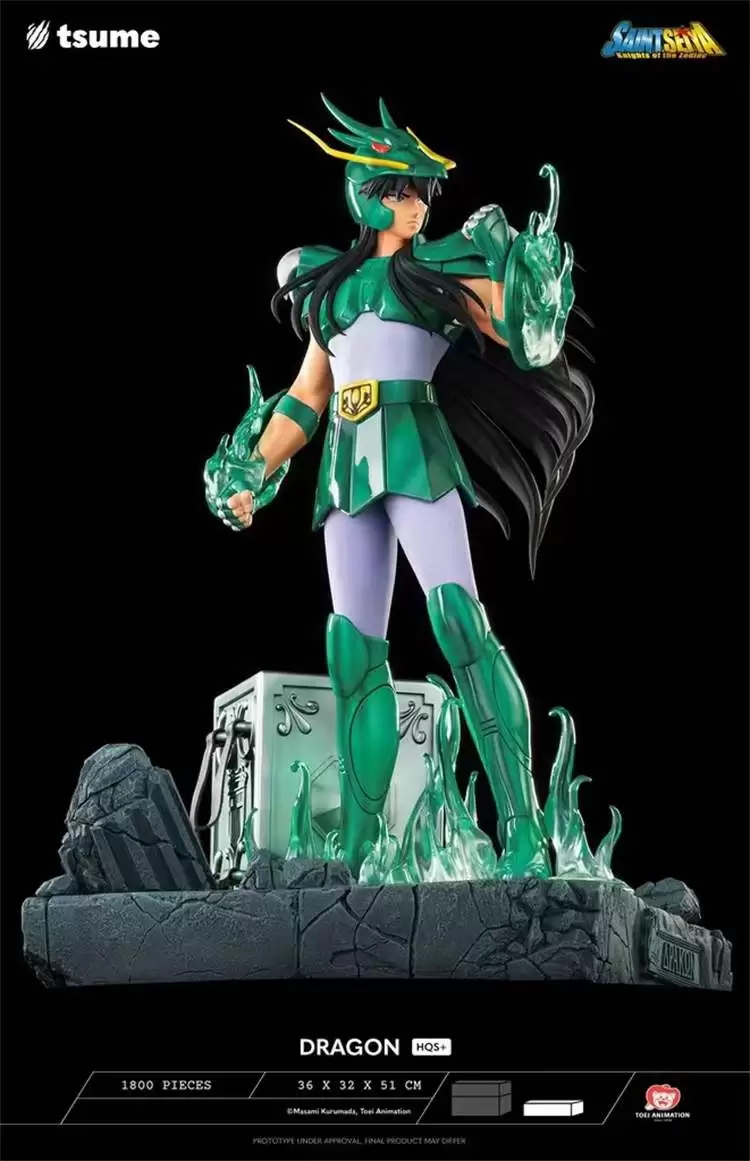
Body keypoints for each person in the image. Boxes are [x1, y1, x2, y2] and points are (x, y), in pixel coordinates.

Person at [204, 94, 593, 879]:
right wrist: (254, 468)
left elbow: (521, 334)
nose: (419, 203)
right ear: (368, 194)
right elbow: (307, 396)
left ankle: (523, 829)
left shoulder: (440, 271)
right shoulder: (328, 286)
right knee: (353, 651)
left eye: (423, 190)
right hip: (346, 467)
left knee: (460, 624)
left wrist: (533, 285)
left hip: (416, 450)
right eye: (403, 190)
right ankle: (363, 847)